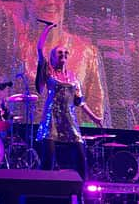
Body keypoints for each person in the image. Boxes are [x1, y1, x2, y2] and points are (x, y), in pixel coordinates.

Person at [0, 0, 109, 126]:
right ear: (28, 2)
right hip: (22, 138)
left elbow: (96, 111)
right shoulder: (14, 36)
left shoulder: (86, 53)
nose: (51, 2)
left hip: (68, 139)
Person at [35, 23, 102, 179]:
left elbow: (80, 102)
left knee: (80, 153)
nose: (63, 54)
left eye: (66, 52)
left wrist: (95, 118)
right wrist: (47, 29)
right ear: (53, 56)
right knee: (48, 158)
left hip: (69, 119)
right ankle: (43, 189)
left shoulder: (73, 77)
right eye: (60, 52)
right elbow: (39, 49)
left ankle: (81, 192)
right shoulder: (49, 72)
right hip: (51, 118)